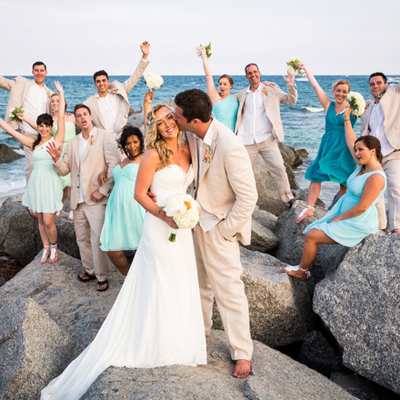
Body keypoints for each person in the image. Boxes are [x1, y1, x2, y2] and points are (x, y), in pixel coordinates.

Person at [41, 101, 206, 400]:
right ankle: (156, 342)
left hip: (182, 228)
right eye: (159, 120)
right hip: (160, 227)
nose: (167, 123)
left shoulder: (191, 146)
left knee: (179, 281)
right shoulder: (154, 154)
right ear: (153, 127)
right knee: (159, 281)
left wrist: (185, 212)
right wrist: (166, 215)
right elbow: (139, 194)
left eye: (170, 116)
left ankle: (179, 340)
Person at [174, 89, 258, 379]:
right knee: (199, 284)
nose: (174, 118)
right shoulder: (192, 133)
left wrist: (225, 230)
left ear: (194, 120)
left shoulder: (230, 146)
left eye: (178, 115)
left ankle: (242, 353)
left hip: (218, 225)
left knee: (229, 291)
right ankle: (201, 335)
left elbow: (249, 198)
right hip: (194, 219)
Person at [282, 106, 386, 281]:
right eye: (356, 150)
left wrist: (340, 217)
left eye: (361, 150)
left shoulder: (376, 176)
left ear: (373, 151)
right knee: (313, 230)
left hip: (358, 221)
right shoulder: (362, 166)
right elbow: (350, 139)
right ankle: (303, 268)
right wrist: (346, 119)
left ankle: (302, 271)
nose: (357, 153)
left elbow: (362, 207)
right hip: (346, 213)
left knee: (312, 235)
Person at [47, 104, 120, 292]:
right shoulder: (72, 143)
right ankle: (90, 270)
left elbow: (114, 165)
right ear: (76, 121)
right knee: (82, 239)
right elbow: (65, 169)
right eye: (78, 116)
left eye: (85, 114)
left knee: (97, 239)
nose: (82, 118)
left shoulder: (104, 136)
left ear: (90, 116)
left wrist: (102, 190)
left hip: (96, 198)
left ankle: (102, 276)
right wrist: (56, 159)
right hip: (76, 201)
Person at [0, 81, 65, 264]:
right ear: (38, 127)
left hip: (51, 183)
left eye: (46, 125)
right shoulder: (33, 143)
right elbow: (11, 132)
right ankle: (45, 248)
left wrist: (61, 93)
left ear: (50, 127)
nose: (44, 128)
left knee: (48, 222)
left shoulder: (57, 140)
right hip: (37, 183)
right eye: (41, 125)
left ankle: (54, 247)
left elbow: (60, 117)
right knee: (39, 220)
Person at [295, 63, 357, 223]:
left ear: (348, 93)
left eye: (344, 92)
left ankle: (341, 213)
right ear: (334, 91)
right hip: (328, 147)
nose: (341, 94)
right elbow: (315, 86)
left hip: (345, 148)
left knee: (344, 182)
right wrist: (305, 69)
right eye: (338, 90)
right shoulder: (328, 105)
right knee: (317, 174)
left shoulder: (354, 108)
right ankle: (309, 208)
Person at [235, 63, 298, 207]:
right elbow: (226, 98)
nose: (253, 75)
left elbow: (291, 100)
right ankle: (247, 201)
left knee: (278, 168)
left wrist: (290, 84)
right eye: (250, 73)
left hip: (266, 138)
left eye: (255, 72)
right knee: (245, 173)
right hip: (246, 140)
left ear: (260, 73)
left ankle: (288, 197)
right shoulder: (242, 93)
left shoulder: (271, 89)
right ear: (246, 76)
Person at [18, 92, 77, 220]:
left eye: (58, 101)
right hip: (56, 150)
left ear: (64, 103)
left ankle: (72, 209)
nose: (55, 103)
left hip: (71, 148)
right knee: (62, 181)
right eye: (53, 101)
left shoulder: (70, 116)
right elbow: (41, 129)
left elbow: (83, 127)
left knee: (73, 180)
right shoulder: (50, 119)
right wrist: (25, 119)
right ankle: (58, 205)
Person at [99, 126, 145, 276]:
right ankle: (130, 279)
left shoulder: (146, 158)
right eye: (128, 143)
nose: (132, 146)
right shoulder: (124, 160)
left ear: (141, 141)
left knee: (142, 249)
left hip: (136, 207)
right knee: (113, 252)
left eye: (135, 142)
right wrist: (103, 173)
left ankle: (146, 282)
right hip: (117, 211)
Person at [84, 41, 150, 143]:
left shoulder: (119, 91)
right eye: (98, 81)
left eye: (103, 80)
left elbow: (135, 76)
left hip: (124, 138)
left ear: (108, 81)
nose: (101, 84)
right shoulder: (89, 103)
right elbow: (82, 119)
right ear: (95, 84)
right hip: (105, 141)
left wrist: (144, 56)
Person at [361, 72, 400, 235]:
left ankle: (396, 227)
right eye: (372, 84)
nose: (375, 86)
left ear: (386, 84)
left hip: (393, 152)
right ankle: (380, 226)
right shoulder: (368, 108)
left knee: (395, 188)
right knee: (375, 192)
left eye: (378, 83)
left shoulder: (395, 94)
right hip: (374, 157)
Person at [0, 62, 53, 182]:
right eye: (36, 70)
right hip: (28, 132)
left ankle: (42, 191)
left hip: (44, 134)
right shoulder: (22, 84)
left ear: (46, 72)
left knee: (44, 166)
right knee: (32, 166)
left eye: (41, 70)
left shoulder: (49, 92)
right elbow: (3, 82)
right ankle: (30, 195)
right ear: (32, 72)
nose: (39, 73)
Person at [196, 45, 239, 131]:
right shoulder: (215, 96)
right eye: (220, 84)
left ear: (231, 86)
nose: (222, 86)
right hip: (218, 134)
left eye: (225, 84)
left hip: (233, 136)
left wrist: (264, 83)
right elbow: (208, 76)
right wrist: (204, 56)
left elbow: (252, 90)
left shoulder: (236, 98)